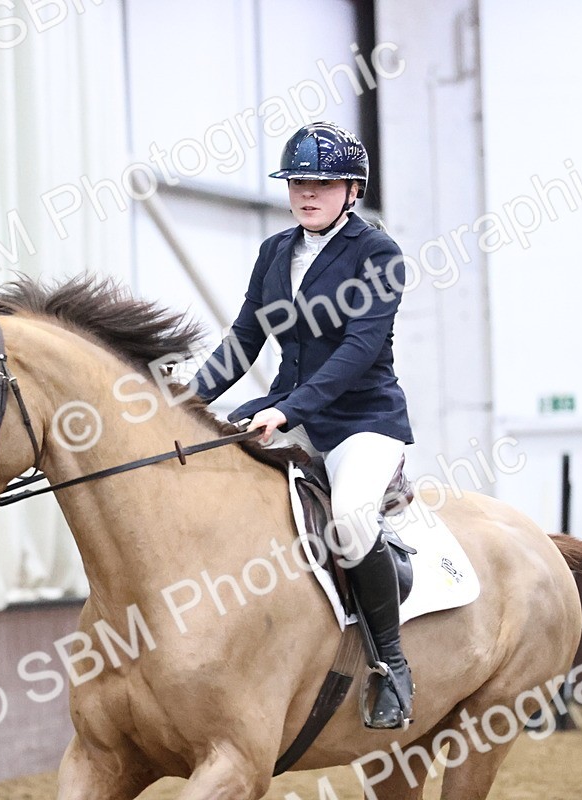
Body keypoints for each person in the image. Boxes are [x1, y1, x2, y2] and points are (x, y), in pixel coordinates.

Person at [193, 120, 414, 729]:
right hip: (285, 408)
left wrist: (288, 409)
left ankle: (391, 665)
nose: (306, 193)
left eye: (321, 182)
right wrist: (185, 401)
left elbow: (358, 352)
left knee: (348, 518)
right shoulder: (274, 252)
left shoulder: (378, 255)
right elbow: (243, 340)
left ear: (352, 188)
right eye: (296, 182)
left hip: (360, 421)